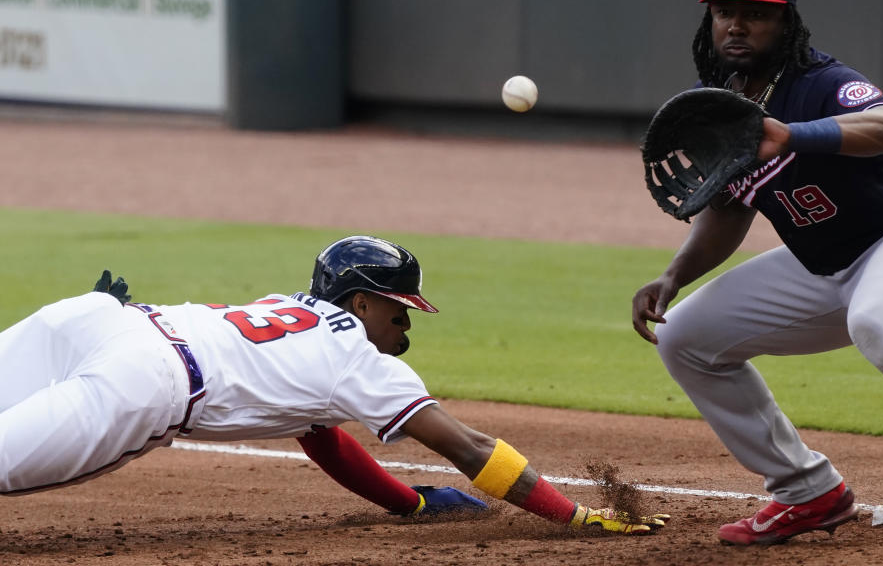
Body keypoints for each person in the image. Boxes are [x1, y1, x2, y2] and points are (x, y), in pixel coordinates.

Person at [0, 236, 665, 535]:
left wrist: (410, 505)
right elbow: (467, 447)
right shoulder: (360, 361)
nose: (407, 322)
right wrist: (572, 516)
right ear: (360, 302)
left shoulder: (291, 316)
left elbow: (321, 439)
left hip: (98, 318)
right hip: (142, 382)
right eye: (399, 306)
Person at [632, 0, 883, 546]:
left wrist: (796, 134)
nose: (737, 25)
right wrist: (674, 275)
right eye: (725, 11)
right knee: (685, 337)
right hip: (833, 260)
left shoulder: (820, 82)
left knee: (882, 318)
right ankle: (807, 491)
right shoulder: (721, 103)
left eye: (755, 13)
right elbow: (731, 207)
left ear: (785, 22)